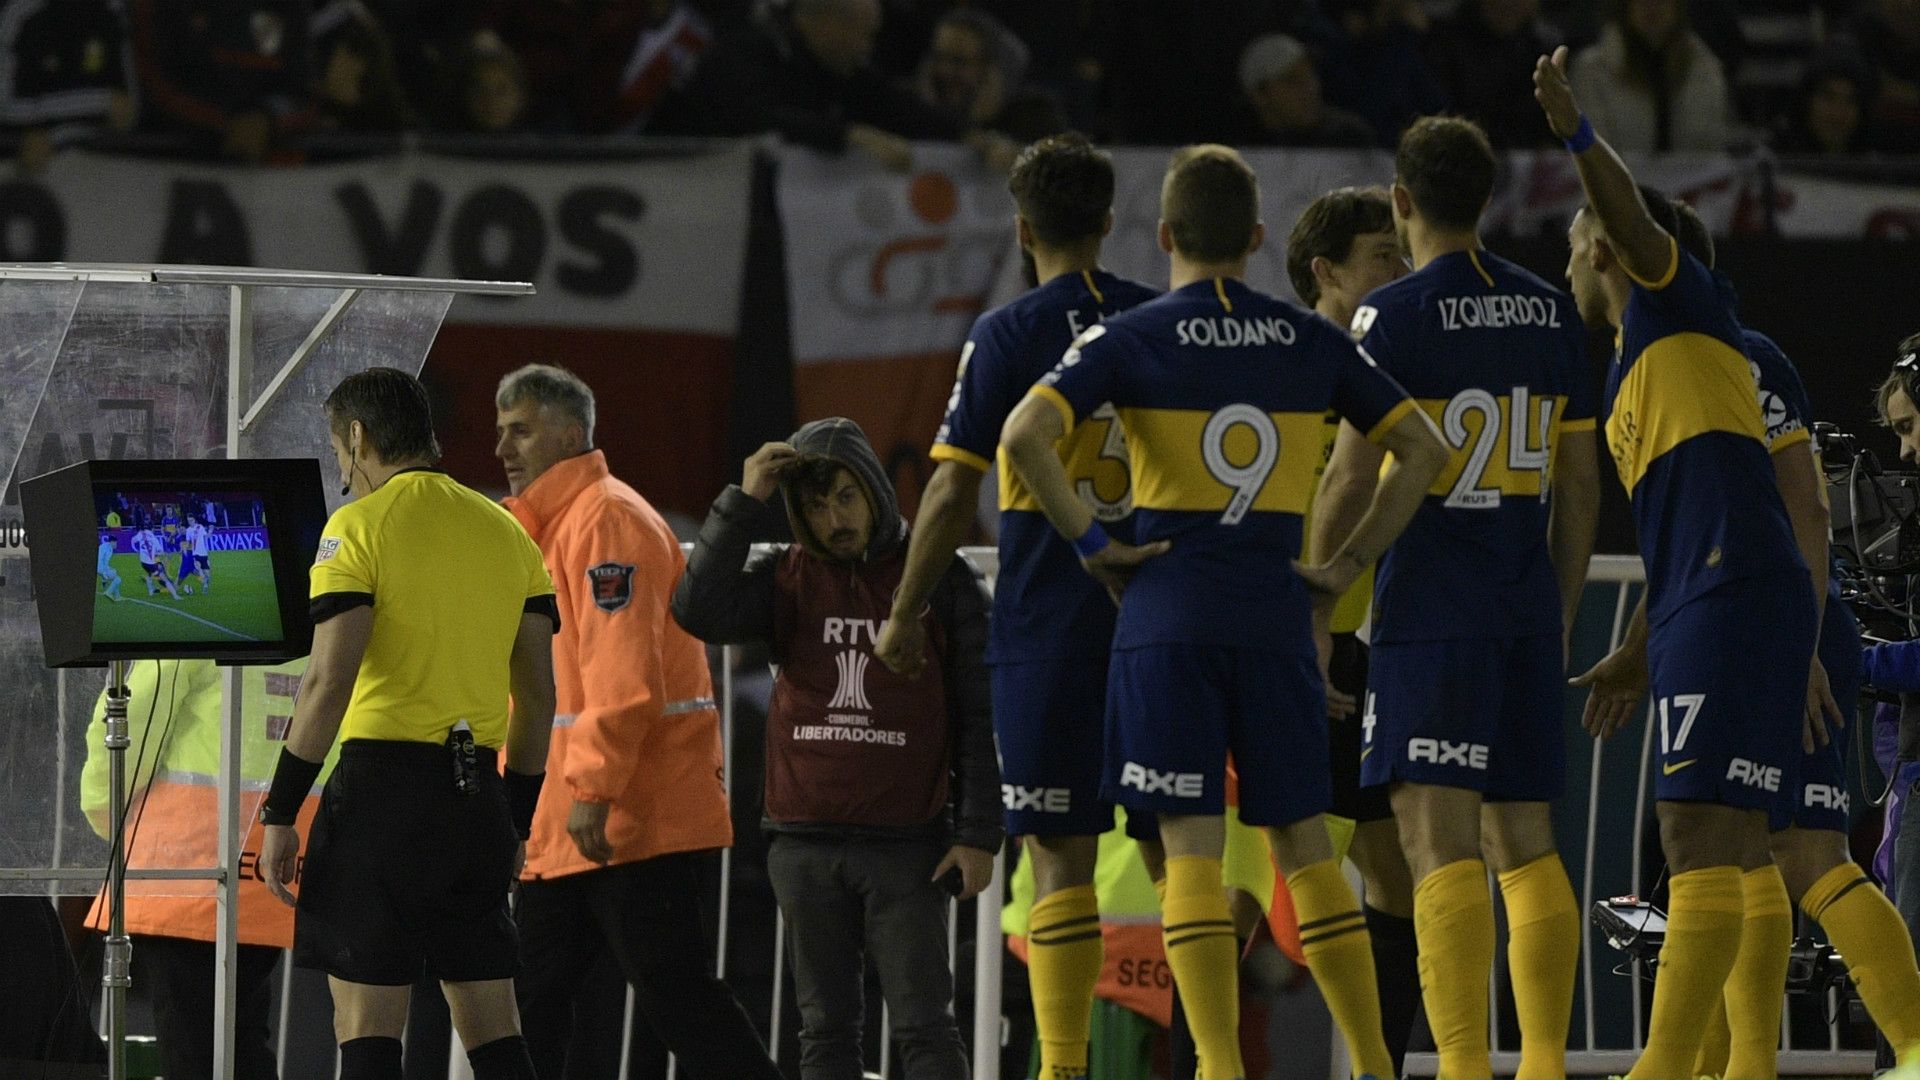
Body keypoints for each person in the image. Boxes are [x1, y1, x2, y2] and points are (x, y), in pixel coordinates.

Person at [999, 143, 1450, 1080]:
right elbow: (1422, 448)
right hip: (1276, 620)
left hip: (1167, 621)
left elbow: (1025, 435)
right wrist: (1345, 564)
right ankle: (1375, 1066)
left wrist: (1093, 543)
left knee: (1192, 855)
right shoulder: (1309, 340)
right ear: (1254, 238)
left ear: (1165, 235)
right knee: (1307, 852)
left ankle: (1217, 1066)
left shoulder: (1127, 337)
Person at [1535, 47, 1818, 1080]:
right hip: (1714, 597)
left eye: (1576, 250)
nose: (1570, 269)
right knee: (1732, 843)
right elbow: (1677, 527)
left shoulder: (1675, 303)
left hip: (1734, 592)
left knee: (1693, 832)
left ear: (1602, 249)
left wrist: (1577, 134)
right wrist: (1640, 643)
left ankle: (1661, 1071)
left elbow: (1633, 221)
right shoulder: (1630, 373)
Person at [1310, 115, 1599, 1080]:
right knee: (1526, 841)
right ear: (1488, 199)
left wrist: (1318, 607)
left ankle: (1466, 1067)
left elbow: (1350, 477)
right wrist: (1560, 610)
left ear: (1402, 200)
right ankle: (1545, 1063)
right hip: (1524, 609)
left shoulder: (1391, 317)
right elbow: (1582, 482)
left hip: (1431, 613)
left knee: (1437, 846)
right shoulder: (1551, 312)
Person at [871, 132, 1158, 1080]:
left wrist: (905, 610)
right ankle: (1211, 1061)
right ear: (1109, 222)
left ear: (1023, 228)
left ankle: (1062, 1068)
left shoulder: (1006, 334)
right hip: (1158, 620)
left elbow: (952, 489)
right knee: (1179, 848)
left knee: (1060, 854)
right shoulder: (1158, 321)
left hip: (1052, 625)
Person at [1658, 207, 1920, 1080]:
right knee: (1764, 849)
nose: (1903, 453)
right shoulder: (1718, 357)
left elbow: (1798, 508)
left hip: (1753, 634)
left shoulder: (1711, 358)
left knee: (1742, 847)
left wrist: (1809, 647)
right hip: (1773, 629)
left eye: (1910, 426)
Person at [673, 416, 1002, 1080]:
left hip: (907, 844)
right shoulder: (785, 575)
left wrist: (978, 835)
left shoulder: (938, 577)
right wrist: (744, 500)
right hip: (804, 841)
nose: (834, 519)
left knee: (925, 1029)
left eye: (846, 497)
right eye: (817, 506)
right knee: (824, 1035)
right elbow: (696, 610)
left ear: (875, 489)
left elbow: (979, 714)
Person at [258, 367, 558, 1080]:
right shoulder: (507, 532)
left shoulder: (356, 526)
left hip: (381, 804)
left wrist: (280, 811)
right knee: (495, 1032)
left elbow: (328, 682)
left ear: (358, 436)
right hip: (478, 800)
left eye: (339, 449)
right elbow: (539, 699)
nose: (341, 468)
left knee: (367, 1034)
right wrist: (515, 820)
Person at [490, 363, 782, 1080]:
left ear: (571, 434)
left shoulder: (605, 520)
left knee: (670, 998)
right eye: (501, 432)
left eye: (520, 431)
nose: (502, 449)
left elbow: (623, 678)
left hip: (626, 813)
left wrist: (593, 787)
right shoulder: (563, 525)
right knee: (541, 1001)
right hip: (581, 817)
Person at [1281, 184, 1426, 1076]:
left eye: (1404, 252)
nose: (1402, 270)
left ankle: (1377, 1067)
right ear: (1325, 272)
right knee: (1246, 884)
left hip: (1352, 647)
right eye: (1383, 255)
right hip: (1285, 646)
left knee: (1394, 875)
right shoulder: (1285, 371)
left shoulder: (1389, 376)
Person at [79, 658, 326, 1080]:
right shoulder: (307, 627)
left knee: (194, 1047)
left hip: (186, 860)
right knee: (239, 1038)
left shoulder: (194, 619)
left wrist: (103, 807)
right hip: (270, 856)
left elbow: (136, 712)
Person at [1567, 0, 1731, 153]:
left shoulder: (1703, 66)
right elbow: (1594, 154)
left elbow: (1713, 146)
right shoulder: (1592, 70)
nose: (1652, 5)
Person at [1234, 34, 1377, 149]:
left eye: (1309, 75)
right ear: (1260, 96)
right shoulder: (1241, 147)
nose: (1309, 88)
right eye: (1292, 80)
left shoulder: (1348, 137)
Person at [131, 525, 179, 599]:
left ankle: (151, 589)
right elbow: (160, 552)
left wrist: (136, 550)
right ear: (152, 529)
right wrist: (161, 553)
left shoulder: (141, 534)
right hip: (153, 564)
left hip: (144, 563)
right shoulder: (154, 538)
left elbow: (133, 540)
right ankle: (175, 595)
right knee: (165, 580)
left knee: (151, 575)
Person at [97, 529, 123, 601]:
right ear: (111, 542)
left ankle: (117, 597)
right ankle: (108, 592)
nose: (116, 544)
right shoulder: (105, 547)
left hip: (101, 568)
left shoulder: (109, 548)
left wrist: (108, 569)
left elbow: (105, 562)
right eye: (115, 542)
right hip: (100, 568)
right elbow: (99, 560)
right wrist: (104, 572)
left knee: (115, 574)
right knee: (118, 579)